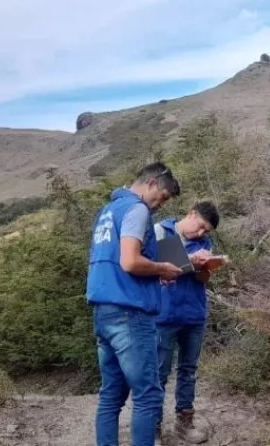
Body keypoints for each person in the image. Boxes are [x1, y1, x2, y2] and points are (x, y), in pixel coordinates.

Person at [86, 162, 182, 446]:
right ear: (152, 183)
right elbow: (130, 261)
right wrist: (163, 268)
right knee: (148, 396)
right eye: (162, 197)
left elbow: (115, 263)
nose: (159, 205)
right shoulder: (136, 208)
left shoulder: (107, 210)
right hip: (130, 315)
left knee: (111, 395)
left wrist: (154, 274)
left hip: (104, 312)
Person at [154, 201, 221, 444]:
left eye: (206, 232)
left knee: (188, 371)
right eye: (201, 226)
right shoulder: (162, 231)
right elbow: (166, 269)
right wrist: (191, 261)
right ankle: (155, 425)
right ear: (191, 214)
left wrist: (207, 266)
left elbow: (203, 279)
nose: (201, 233)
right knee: (159, 372)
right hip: (164, 314)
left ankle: (184, 422)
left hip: (194, 313)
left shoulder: (204, 243)